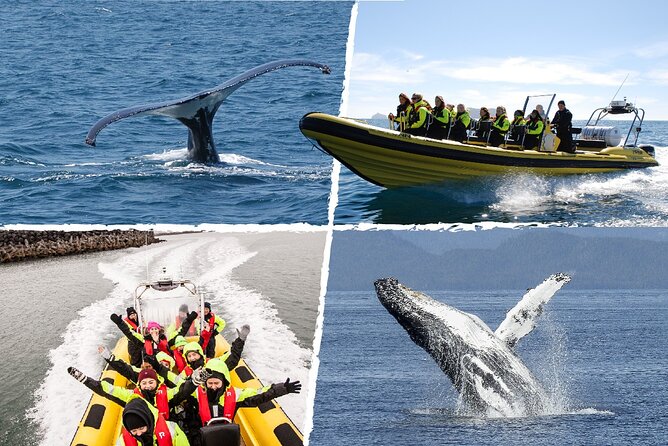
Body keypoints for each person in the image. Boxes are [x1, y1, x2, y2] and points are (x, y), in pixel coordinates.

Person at [171, 358, 301, 445]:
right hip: (199, 437)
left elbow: (260, 395)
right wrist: (192, 383)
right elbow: (178, 395)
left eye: (216, 383)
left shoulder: (236, 395)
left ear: (224, 382)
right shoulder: (195, 393)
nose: (213, 386)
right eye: (210, 383)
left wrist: (282, 389)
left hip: (226, 436)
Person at [120, 397, 190, 445]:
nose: (139, 434)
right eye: (134, 431)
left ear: (148, 422)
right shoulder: (123, 441)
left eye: (141, 428)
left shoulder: (172, 430)